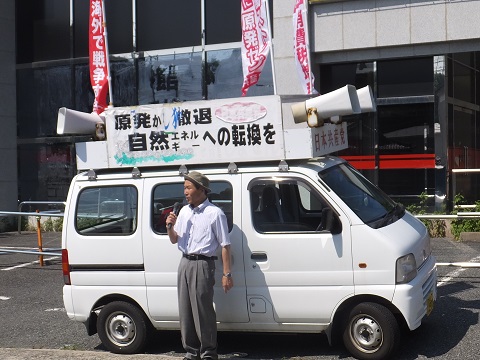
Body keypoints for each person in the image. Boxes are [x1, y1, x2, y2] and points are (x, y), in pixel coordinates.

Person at [166, 171, 233, 360]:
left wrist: (227, 274)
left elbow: (225, 245)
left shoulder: (215, 213)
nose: (185, 192)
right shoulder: (184, 211)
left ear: (201, 189)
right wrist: (170, 226)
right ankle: (191, 352)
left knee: (202, 311)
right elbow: (174, 240)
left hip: (203, 264)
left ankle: (208, 353)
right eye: (184, 188)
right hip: (185, 262)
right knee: (185, 309)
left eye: (188, 187)